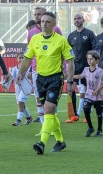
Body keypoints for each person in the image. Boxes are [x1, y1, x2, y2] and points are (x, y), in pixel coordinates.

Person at [15, 12, 74, 154]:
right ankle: (60, 141)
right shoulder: (34, 39)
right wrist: (20, 73)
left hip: (55, 79)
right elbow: (27, 58)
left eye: (48, 22)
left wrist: (70, 81)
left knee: (48, 109)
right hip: (40, 78)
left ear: (54, 24)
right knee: (50, 113)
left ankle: (42, 143)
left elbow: (70, 61)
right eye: (42, 21)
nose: (44, 24)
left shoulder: (61, 40)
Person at [28, 7, 63, 124]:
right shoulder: (31, 33)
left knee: (50, 103)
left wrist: (64, 67)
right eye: (36, 15)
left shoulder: (56, 30)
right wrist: (26, 70)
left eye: (40, 14)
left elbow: (62, 50)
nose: (37, 17)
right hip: (36, 69)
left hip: (54, 70)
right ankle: (45, 124)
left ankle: (48, 123)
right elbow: (29, 53)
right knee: (38, 97)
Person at [67, 13, 98, 122]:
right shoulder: (71, 36)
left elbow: (96, 48)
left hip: (87, 67)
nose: (77, 20)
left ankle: (86, 114)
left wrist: (93, 62)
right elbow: (67, 52)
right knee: (70, 89)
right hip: (75, 66)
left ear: (83, 20)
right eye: (75, 19)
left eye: (79, 18)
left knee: (87, 91)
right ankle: (74, 115)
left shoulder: (89, 34)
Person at [74, 50, 103, 137]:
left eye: (91, 59)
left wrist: (98, 89)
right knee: (86, 108)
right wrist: (70, 76)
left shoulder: (100, 71)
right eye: (88, 59)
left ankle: (99, 130)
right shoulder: (86, 70)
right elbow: (81, 76)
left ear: (97, 60)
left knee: (99, 113)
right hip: (89, 94)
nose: (89, 61)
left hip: (98, 96)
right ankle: (90, 127)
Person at [9, 53, 33, 126]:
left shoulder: (29, 68)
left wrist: (29, 74)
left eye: (23, 58)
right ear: (16, 59)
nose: (21, 59)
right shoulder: (14, 69)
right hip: (18, 89)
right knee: (21, 104)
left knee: (20, 102)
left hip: (25, 88)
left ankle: (18, 120)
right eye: (20, 58)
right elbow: (12, 78)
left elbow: (30, 76)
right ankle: (29, 118)